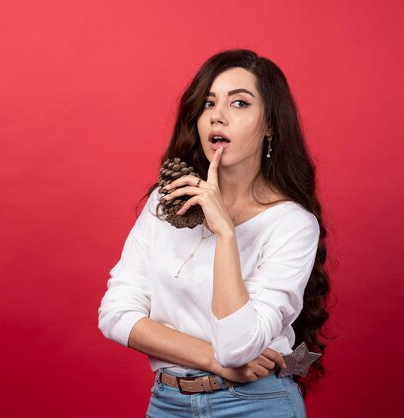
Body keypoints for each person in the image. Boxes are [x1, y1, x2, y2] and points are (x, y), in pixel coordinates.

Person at [98, 49, 331, 418]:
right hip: (167, 403)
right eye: (208, 103)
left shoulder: (291, 224)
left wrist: (225, 232)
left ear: (270, 124)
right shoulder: (168, 200)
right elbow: (114, 314)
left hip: (256, 404)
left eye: (240, 103)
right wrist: (212, 358)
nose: (217, 115)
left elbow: (237, 348)